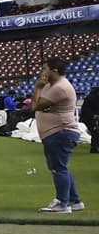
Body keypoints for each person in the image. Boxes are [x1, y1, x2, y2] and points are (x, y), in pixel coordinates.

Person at [33, 59, 84, 213]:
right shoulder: (51, 85)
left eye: (45, 69)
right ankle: (74, 201)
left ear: (54, 70)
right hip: (56, 132)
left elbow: (36, 106)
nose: (42, 72)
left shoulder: (60, 87)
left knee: (58, 169)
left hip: (60, 132)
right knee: (61, 167)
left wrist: (37, 87)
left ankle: (63, 203)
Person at [80, 86, 99, 154]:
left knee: (96, 132)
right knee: (95, 131)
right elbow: (85, 110)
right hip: (88, 118)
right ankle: (94, 147)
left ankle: (95, 147)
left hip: (95, 118)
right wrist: (93, 115)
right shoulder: (90, 98)